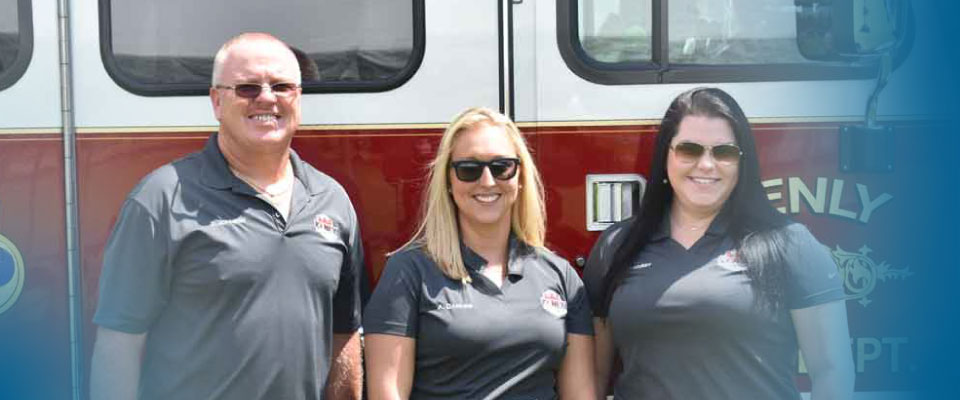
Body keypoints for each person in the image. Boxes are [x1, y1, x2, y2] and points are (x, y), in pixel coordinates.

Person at [89, 33, 363, 400]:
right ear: (217, 101)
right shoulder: (160, 200)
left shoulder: (332, 201)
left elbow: (344, 336)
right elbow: (118, 344)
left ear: (298, 98)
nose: (267, 97)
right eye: (248, 88)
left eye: (281, 86)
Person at [584, 87, 855, 399]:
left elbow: (831, 372)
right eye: (689, 150)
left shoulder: (791, 245)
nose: (706, 165)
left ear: (742, 163)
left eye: (724, 152)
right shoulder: (617, 247)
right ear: (665, 156)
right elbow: (593, 377)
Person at [363, 107, 596, 400]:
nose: (487, 181)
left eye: (502, 167)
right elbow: (387, 394)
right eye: (469, 169)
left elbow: (581, 395)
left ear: (520, 176)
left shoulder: (560, 276)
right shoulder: (409, 271)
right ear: (449, 181)